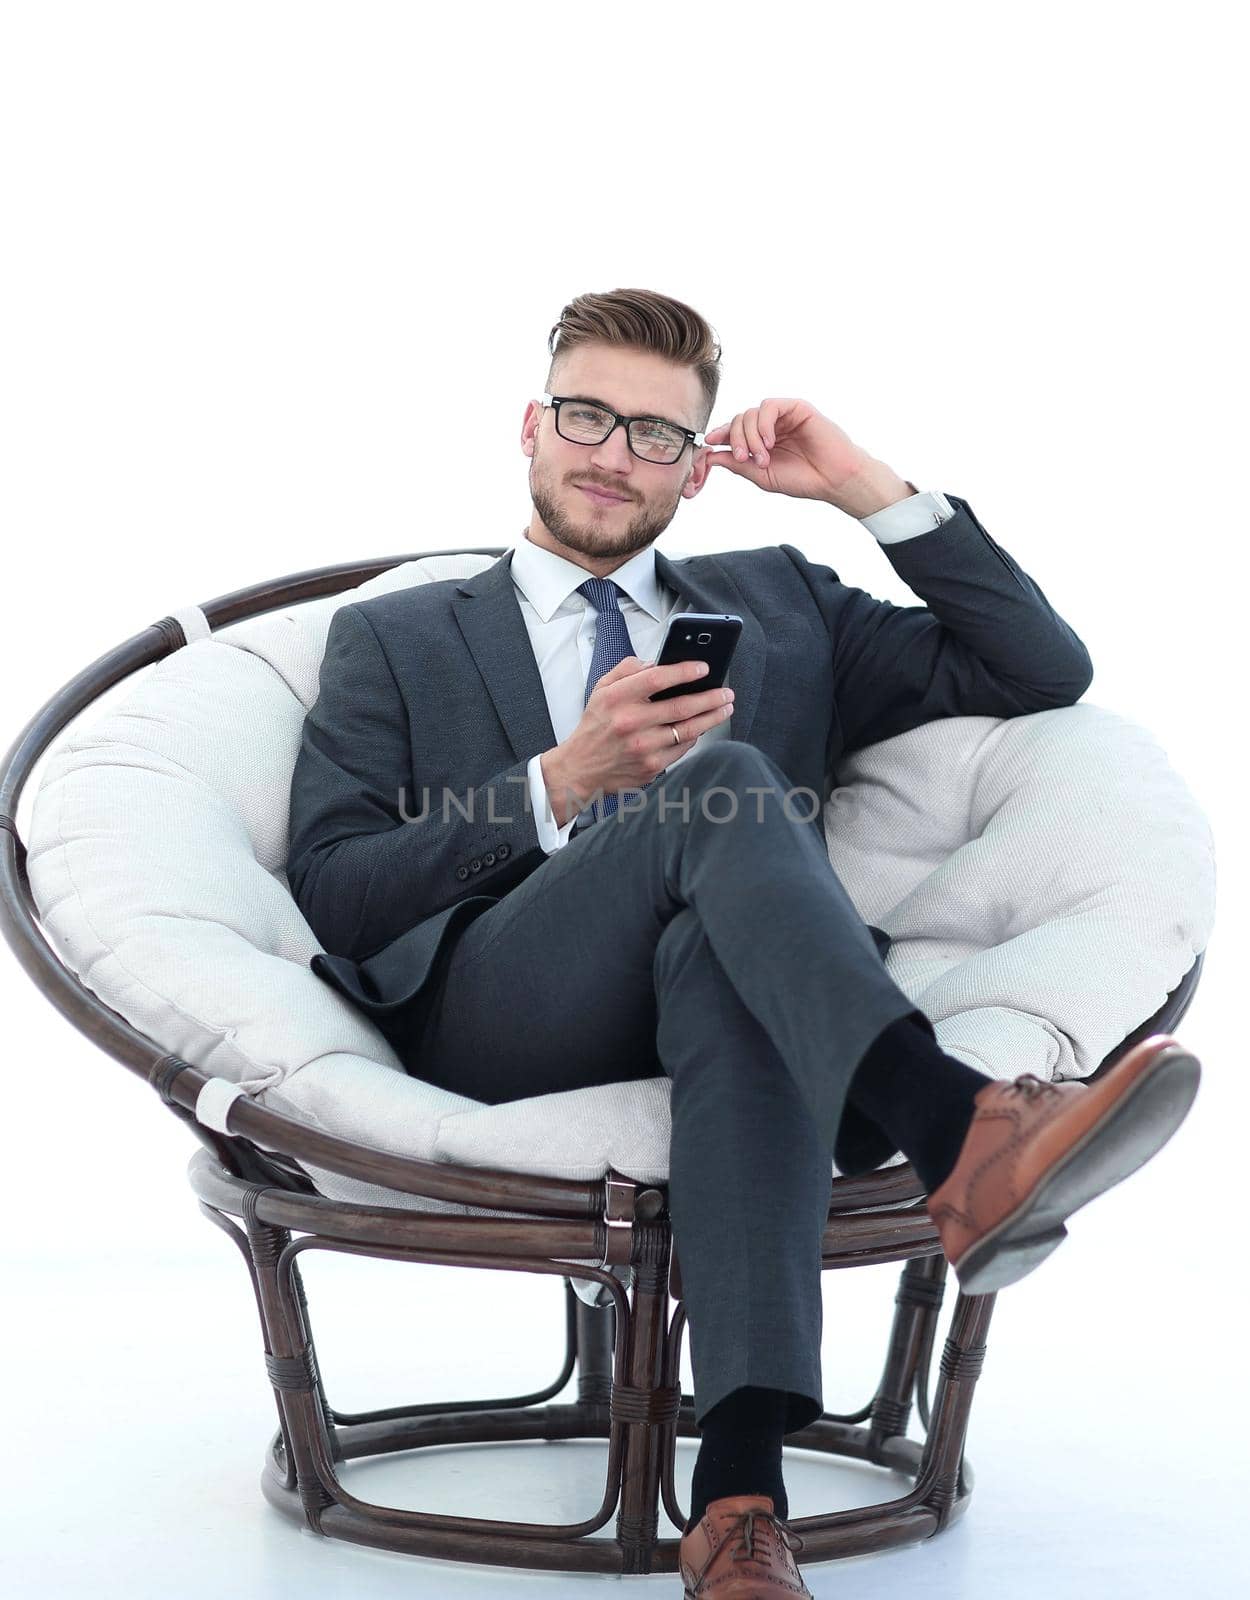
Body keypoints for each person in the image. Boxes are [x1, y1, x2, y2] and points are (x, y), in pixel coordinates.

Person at [286, 287, 1200, 1597]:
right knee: (732, 785)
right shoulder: (398, 636)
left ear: (698, 468)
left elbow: (1039, 669)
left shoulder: (783, 604)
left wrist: (863, 488)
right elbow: (336, 887)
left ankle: (736, 1503)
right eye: (587, 416)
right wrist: (563, 778)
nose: (614, 453)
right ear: (531, 427)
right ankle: (948, 1123)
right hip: (507, 1005)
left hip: (752, 986)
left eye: (656, 434)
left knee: (730, 960)